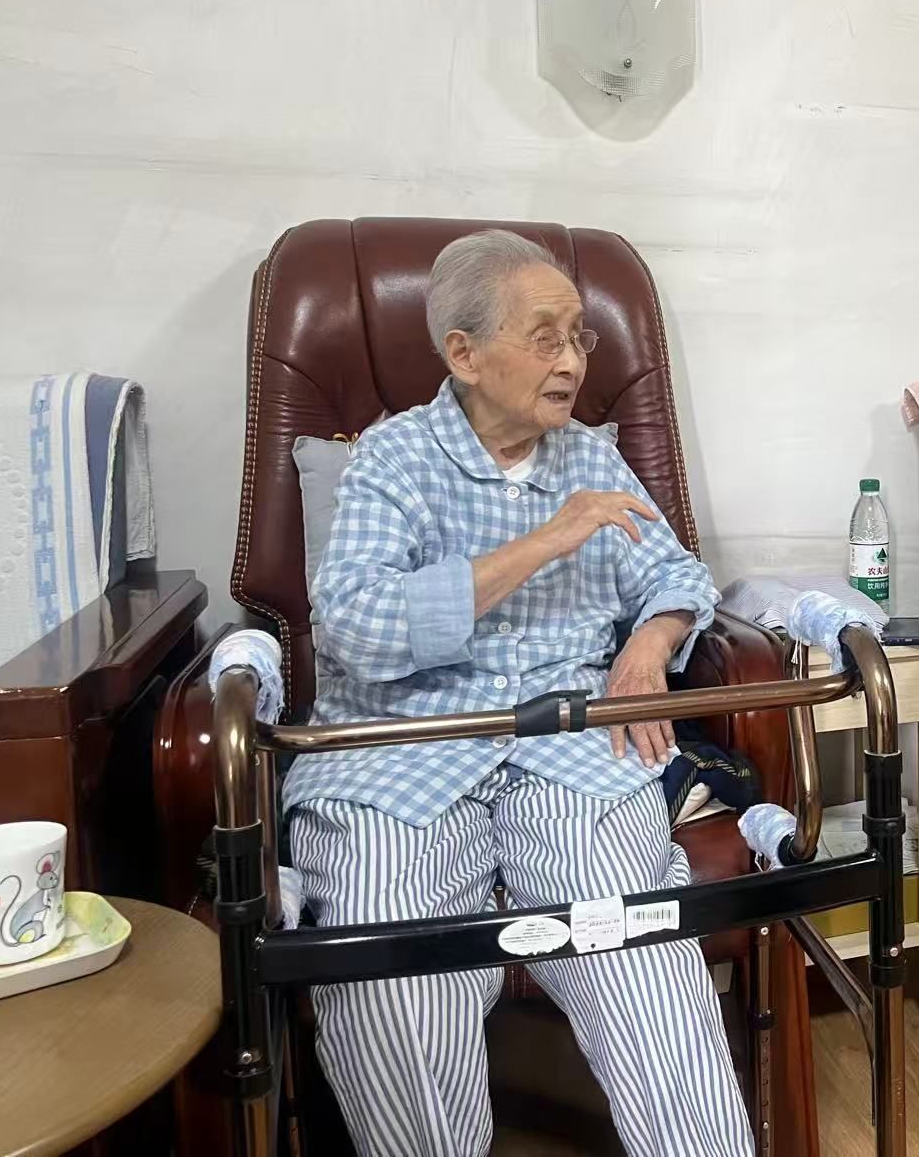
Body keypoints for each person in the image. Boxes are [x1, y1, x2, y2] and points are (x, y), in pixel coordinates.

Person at [283, 229, 753, 1157]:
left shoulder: (590, 458)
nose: (573, 361)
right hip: (403, 748)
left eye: (580, 337)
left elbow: (675, 574)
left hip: (571, 744)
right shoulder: (392, 458)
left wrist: (650, 645)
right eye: (547, 338)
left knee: (641, 959)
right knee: (393, 979)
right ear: (464, 354)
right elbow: (355, 627)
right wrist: (545, 541)